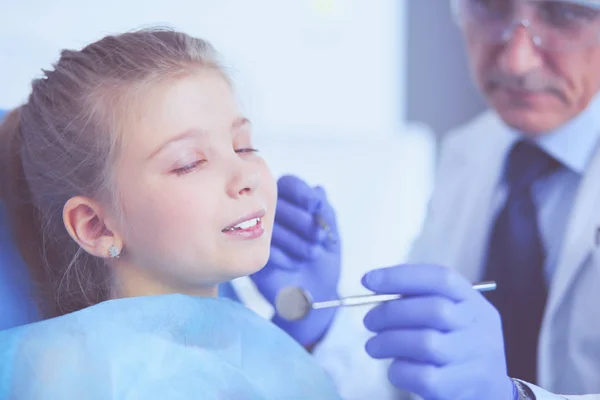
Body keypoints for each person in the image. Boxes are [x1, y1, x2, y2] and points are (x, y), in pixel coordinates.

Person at [250, 0, 600, 399]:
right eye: (490, 9)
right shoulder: (470, 153)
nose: (517, 61)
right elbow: (405, 384)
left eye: (567, 15)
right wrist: (319, 321)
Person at [0, 28, 341, 399]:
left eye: (243, 147)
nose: (247, 176)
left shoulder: (234, 354)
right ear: (96, 226)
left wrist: (303, 333)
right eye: (190, 163)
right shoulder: (80, 378)